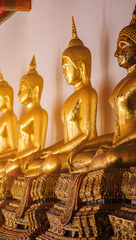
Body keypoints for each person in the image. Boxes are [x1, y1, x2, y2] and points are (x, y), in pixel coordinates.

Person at [74, 0, 136, 171]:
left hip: (135, 146)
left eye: (122, 46)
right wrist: (83, 146)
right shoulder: (121, 84)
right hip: (118, 145)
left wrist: (115, 145)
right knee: (80, 158)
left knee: (111, 157)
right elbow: (116, 134)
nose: (116, 53)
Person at [41, 17, 98, 174]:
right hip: (71, 150)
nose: (63, 72)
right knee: (41, 160)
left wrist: (57, 151)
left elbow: (87, 134)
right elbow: (68, 138)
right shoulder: (69, 99)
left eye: (66, 67)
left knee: (50, 163)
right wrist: (48, 150)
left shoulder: (88, 93)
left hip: (85, 149)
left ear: (80, 66)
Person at [4, 56, 48, 177]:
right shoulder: (24, 116)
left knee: (10, 167)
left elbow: (37, 146)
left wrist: (17, 157)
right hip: (21, 158)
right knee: (7, 166)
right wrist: (15, 156)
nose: (18, 93)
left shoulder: (40, 113)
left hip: (31, 159)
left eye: (22, 89)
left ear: (35, 90)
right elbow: (17, 147)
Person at [0, 72, 18, 178]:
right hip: (0, 158)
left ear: (6, 98)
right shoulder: (2, 119)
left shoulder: (10, 117)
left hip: (6, 158)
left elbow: (14, 147)